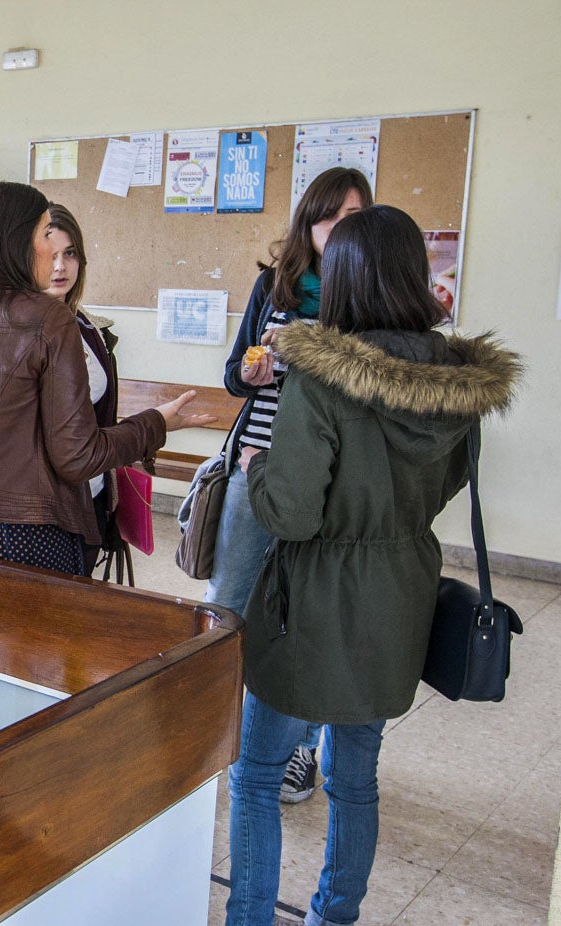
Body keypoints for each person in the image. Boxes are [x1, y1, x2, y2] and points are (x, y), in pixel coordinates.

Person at [224, 204, 521, 926]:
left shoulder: (322, 378)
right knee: (355, 779)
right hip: (400, 592)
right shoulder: (459, 384)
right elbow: (450, 482)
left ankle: (249, 918)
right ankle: (335, 916)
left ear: (347, 277)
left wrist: (257, 465)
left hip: (312, 597)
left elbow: (289, 513)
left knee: (257, 776)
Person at [0, 181, 213, 575]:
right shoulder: (49, 317)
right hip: (22, 537)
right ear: (15, 241)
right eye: (45, 233)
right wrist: (156, 423)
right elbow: (78, 456)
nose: (54, 253)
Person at [206, 166, 373, 802]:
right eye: (327, 216)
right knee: (231, 599)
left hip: (327, 479)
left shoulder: (368, 301)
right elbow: (232, 376)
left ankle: (300, 748)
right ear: (307, 221)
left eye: (353, 217)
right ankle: (217, 726)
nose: (337, 230)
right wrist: (254, 371)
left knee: (305, 614)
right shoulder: (271, 285)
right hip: (257, 464)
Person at [42, 204, 131, 579]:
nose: (60, 267)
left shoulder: (92, 330)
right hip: (40, 506)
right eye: (50, 255)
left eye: (70, 254)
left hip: (90, 493)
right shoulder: (15, 329)